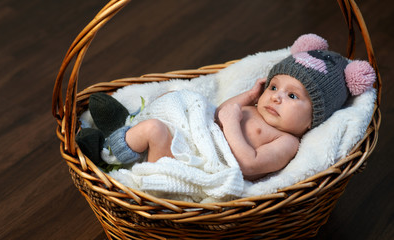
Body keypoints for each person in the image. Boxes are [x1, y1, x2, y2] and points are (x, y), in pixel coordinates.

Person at [76, 34, 375, 181]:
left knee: (154, 131)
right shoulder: (255, 107)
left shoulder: (286, 142)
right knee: (176, 99)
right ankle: (125, 127)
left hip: (196, 163)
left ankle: (107, 155)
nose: (276, 97)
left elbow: (249, 164)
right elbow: (219, 111)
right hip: (192, 136)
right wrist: (247, 97)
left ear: (314, 118)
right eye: (273, 87)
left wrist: (232, 122)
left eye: (293, 96)